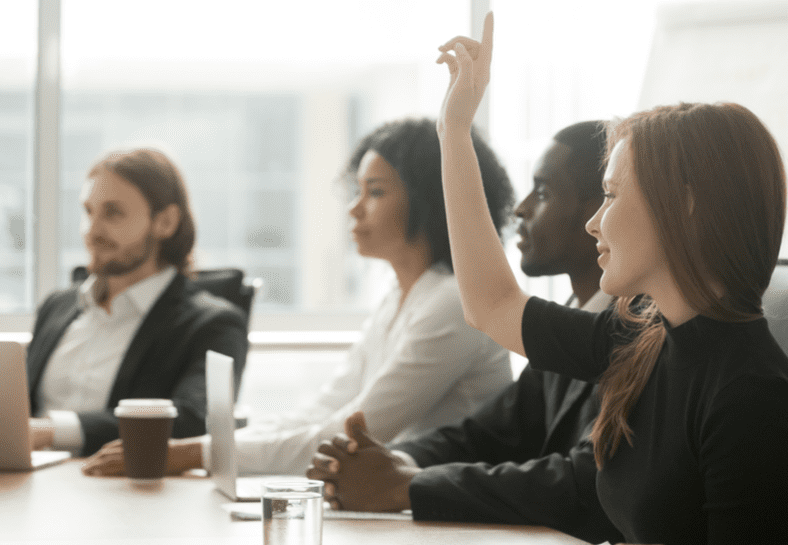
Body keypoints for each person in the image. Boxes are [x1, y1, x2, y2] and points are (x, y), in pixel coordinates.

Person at [428, 14, 788, 544]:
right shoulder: (642, 339)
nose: (593, 223)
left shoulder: (751, 396)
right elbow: (491, 304)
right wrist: (453, 133)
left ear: (685, 206)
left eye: (610, 195)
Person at [81, 118, 515, 477]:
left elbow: (351, 433)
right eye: (357, 191)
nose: (354, 208)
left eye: (376, 192)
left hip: (456, 522)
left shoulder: (453, 303)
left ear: (432, 201)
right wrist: (208, 448)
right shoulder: (401, 298)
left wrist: (195, 454)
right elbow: (320, 410)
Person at [306, 120, 624, 544]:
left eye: (544, 192)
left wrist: (405, 483)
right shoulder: (576, 317)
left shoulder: (635, 329)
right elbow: (491, 432)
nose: (520, 209)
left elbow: (583, 483)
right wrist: (392, 462)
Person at [26, 148, 248, 457]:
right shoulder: (57, 306)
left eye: (113, 213)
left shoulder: (212, 324)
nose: (92, 231)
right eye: (88, 211)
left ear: (165, 222)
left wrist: (49, 431)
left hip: (122, 490)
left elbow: (194, 420)